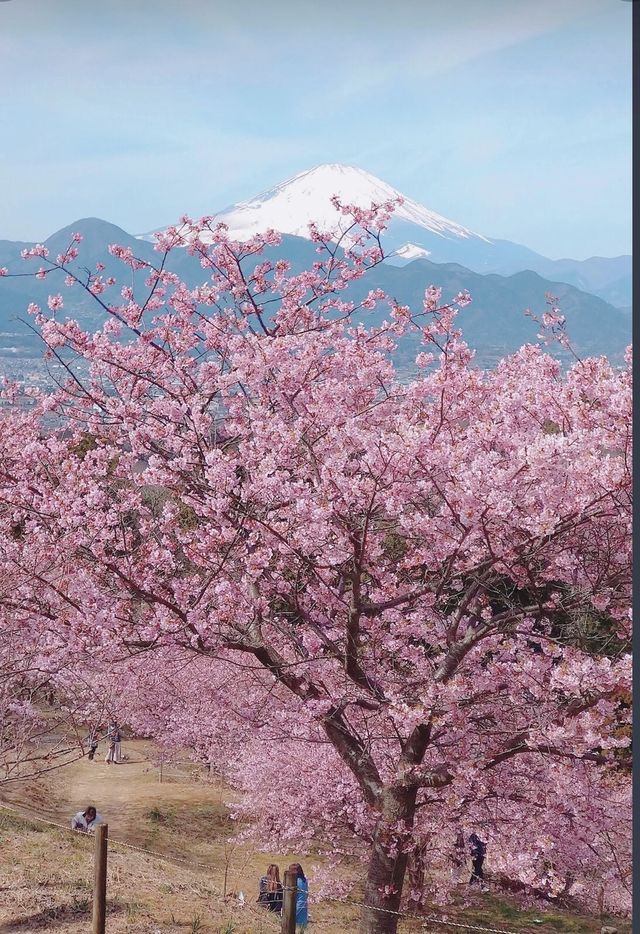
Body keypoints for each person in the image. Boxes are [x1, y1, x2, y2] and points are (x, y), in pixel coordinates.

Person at [288, 863, 308, 931]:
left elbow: (301, 899)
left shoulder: (298, 882)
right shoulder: (304, 880)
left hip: (298, 910)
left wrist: (293, 913)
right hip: (302, 911)